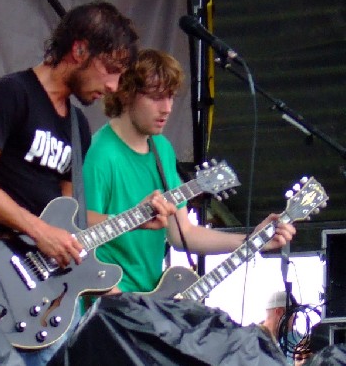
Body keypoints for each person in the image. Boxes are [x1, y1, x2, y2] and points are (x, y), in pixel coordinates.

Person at [0, 2, 176, 366]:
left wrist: (134, 218)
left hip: (47, 299)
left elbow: (72, 227)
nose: (113, 86)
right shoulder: (10, 94)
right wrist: (39, 231)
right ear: (79, 50)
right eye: (110, 70)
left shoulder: (78, 126)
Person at [82, 48, 296, 295]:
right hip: (112, 305)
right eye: (156, 97)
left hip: (150, 299)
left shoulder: (161, 148)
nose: (167, 108)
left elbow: (182, 233)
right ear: (127, 95)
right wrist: (115, 296)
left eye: (171, 97)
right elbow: (82, 241)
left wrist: (252, 240)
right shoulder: (100, 155)